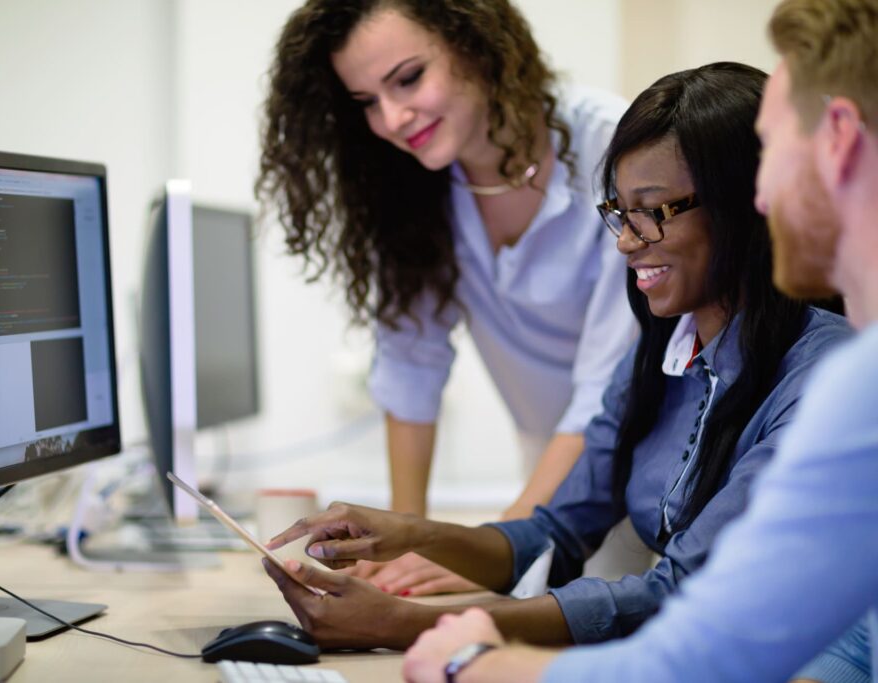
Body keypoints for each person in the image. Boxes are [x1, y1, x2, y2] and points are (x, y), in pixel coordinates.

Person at [262, 62, 851, 652]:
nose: (625, 240)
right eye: (621, 212)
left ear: (750, 203)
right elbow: (556, 531)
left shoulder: (826, 377)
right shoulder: (661, 354)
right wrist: (404, 534)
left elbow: (684, 593)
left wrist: (408, 624)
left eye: (652, 211)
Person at [400, 0, 878, 681]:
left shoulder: (849, 379)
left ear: (837, 137)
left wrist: (470, 659)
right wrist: (406, 537)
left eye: (774, 152)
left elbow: (699, 648)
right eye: (622, 213)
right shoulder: (672, 349)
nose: (763, 196)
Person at [255, 0, 639, 596]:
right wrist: (397, 546)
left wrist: (486, 551)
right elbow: (411, 370)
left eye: (408, 79)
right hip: (546, 461)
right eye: (366, 103)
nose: (392, 118)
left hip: (649, 470)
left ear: (476, 43)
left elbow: (602, 395)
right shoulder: (414, 184)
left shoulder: (613, 148)